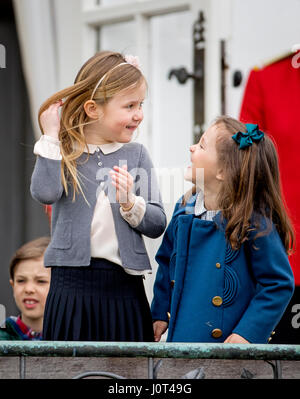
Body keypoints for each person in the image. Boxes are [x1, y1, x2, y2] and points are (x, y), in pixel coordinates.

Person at [30, 51, 166, 342]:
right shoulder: (64, 151)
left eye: (141, 104)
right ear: (93, 109)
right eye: (129, 105)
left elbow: (157, 223)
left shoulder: (137, 154)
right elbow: (44, 192)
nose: (139, 114)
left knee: (126, 373)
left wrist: (130, 203)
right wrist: (51, 137)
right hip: (70, 286)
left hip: (124, 287)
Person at [151, 116, 294, 343]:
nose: (191, 147)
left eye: (201, 145)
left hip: (228, 353)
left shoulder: (253, 221)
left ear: (222, 172)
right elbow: (166, 261)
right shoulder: (184, 208)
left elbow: (277, 284)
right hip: (181, 343)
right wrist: (160, 312)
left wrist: (246, 333)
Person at [0, 237, 51, 340]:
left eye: (41, 281)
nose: (29, 289)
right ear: (13, 285)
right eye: (21, 281)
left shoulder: (74, 338)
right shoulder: (3, 337)